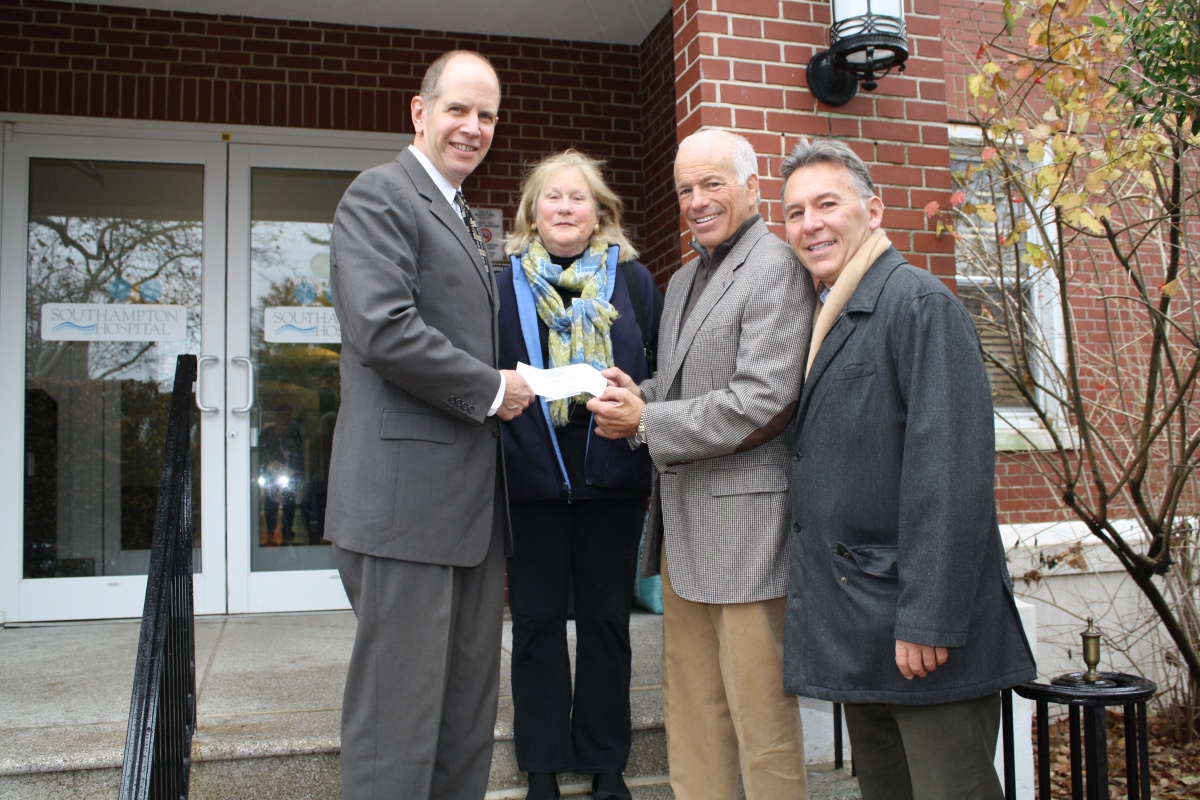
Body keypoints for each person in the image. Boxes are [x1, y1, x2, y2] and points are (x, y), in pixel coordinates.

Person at [780, 136, 1037, 800]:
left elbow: (949, 473)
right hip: (861, 630)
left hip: (921, 637)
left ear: (874, 208)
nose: (811, 224)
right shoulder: (827, 315)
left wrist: (929, 619)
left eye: (827, 203)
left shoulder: (918, 305)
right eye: (795, 212)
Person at [325, 50, 535, 800]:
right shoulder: (380, 196)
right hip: (404, 511)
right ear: (420, 112)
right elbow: (383, 329)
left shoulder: (459, 213)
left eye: (486, 116)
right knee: (397, 730)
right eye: (458, 109)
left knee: (462, 722)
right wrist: (491, 389)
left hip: (470, 515)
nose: (473, 128)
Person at [587, 129, 816, 800]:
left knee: (761, 719)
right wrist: (637, 395)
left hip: (750, 537)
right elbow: (683, 389)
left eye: (712, 184)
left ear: (751, 185)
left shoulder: (777, 266)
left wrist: (647, 420)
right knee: (691, 712)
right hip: (683, 536)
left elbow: (762, 403)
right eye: (685, 189)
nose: (696, 201)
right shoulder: (685, 277)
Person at [497, 149, 662, 800]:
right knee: (536, 624)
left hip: (610, 476)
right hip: (531, 477)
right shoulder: (502, 280)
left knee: (605, 624)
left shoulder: (633, 279)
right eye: (552, 197)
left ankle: (605, 765)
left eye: (578, 198)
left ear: (600, 213)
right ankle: (540, 766)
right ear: (532, 212)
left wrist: (638, 392)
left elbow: (661, 373)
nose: (565, 208)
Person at [259, 403, 303, 545]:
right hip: (274, 472)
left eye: (288, 414)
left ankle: (287, 531)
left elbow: (300, 452)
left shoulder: (295, 431)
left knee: (290, 502)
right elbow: (263, 450)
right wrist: (268, 465)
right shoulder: (269, 431)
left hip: (291, 473)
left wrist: (300, 471)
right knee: (271, 501)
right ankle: (271, 530)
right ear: (278, 416)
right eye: (282, 414)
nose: (285, 417)